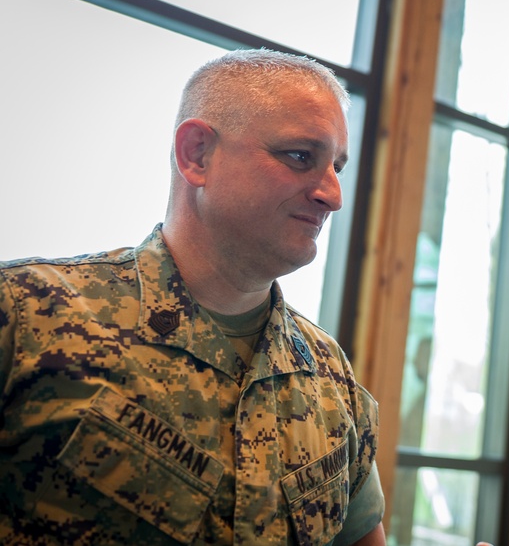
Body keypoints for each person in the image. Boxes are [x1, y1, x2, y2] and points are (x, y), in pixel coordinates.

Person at [0, 49, 385, 545]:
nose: (333, 194)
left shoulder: (332, 380)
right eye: (300, 157)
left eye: (336, 166)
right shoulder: (28, 315)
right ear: (197, 154)